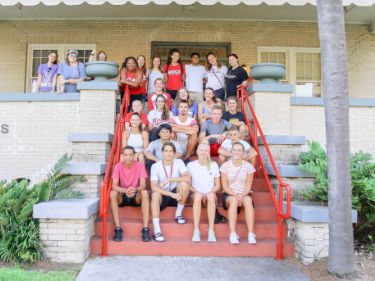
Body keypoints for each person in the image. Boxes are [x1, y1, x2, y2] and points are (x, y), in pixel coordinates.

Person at [150, 142, 191, 242]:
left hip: (177, 196)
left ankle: (178, 213)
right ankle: (157, 229)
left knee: (184, 185)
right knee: (155, 195)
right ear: (162, 153)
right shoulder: (155, 166)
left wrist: (170, 179)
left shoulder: (179, 162)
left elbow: (188, 178)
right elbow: (153, 187)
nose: (168, 153)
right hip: (164, 195)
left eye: (171, 151)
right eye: (166, 151)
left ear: (174, 153)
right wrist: (171, 194)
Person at [110, 146, 151, 242]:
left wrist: (134, 189)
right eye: (126, 155)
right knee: (112, 193)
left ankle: (145, 229)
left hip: (136, 194)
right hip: (123, 195)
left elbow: (143, 185)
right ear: (123, 156)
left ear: (134, 156)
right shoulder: (118, 166)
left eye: (130, 155)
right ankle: (118, 228)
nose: (128, 157)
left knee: (144, 193)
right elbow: (114, 186)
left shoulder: (140, 165)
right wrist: (125, 191)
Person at [220, 142, 257, 244]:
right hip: (229, 194)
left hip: (244, 193)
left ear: (243, 152)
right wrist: (236, 196)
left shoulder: (248, 167)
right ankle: (233, 234)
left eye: (239, 150)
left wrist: (242, 195)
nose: (237, 152)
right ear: (231, 151)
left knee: (248, 200)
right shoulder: (225, 166)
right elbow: (225, 186)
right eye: (234, 150)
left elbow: (248, 186)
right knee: (234, 200)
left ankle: (250, 233)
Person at [187, 143, 220, 243]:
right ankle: (196, 230)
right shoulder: (191, 165)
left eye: (206, 150)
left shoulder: (214, 165)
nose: (203, 152)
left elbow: (217, 186)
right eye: (201, 150)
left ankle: (211, 231)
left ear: (209, 152)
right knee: (197, 197)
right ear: (197, 151)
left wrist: (208, 193)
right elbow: (188, 185)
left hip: (210, 195)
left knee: (210, 196)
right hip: (196, 195)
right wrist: (199, 193)